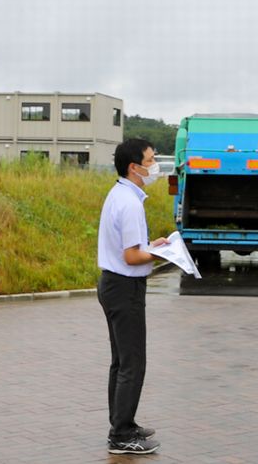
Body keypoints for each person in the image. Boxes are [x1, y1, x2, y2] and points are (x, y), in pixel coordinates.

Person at [99, 139, 168, 455]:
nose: (155, 166)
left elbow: (133, 248)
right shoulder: (128, 203)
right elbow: (131, 256)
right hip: (125, 288)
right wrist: (159, 253)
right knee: (132, 363)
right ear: (134, 167)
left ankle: (123, 423)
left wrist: (152, 245)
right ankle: (121, 434)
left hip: (114, 285)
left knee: (121, 362)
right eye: (151, 160)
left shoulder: (121, 194)